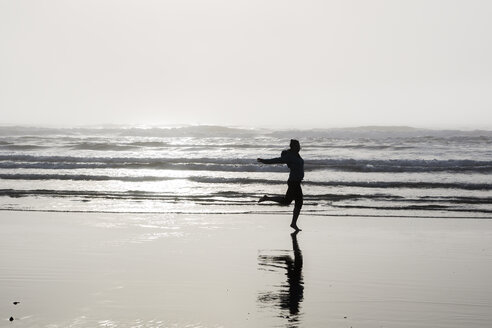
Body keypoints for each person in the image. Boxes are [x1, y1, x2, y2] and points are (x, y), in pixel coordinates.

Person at [257, 139, 304, 231]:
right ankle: (293, 223)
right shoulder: (290, 156)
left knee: (287, 201)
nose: (299, 147)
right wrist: (264, 161)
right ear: (293, 147)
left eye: (299, 145)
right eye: (297, 145)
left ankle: (267, 198)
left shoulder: (296, 154)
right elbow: (277, 160)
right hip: (293, 182)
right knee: (296, 201)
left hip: (296, 182)